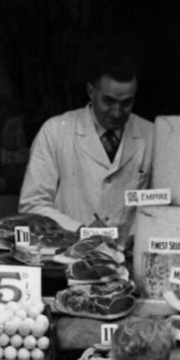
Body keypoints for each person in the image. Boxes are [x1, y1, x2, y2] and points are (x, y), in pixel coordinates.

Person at [19, 54, 155, 245]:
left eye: (126, 103)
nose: (117, 112)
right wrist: (80, 231)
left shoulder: (152, 135)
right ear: (91, 92)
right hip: (68, 253)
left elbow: (165, 207)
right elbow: (32, 205)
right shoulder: (56, 130)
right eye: (108, 101)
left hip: (128, 257)